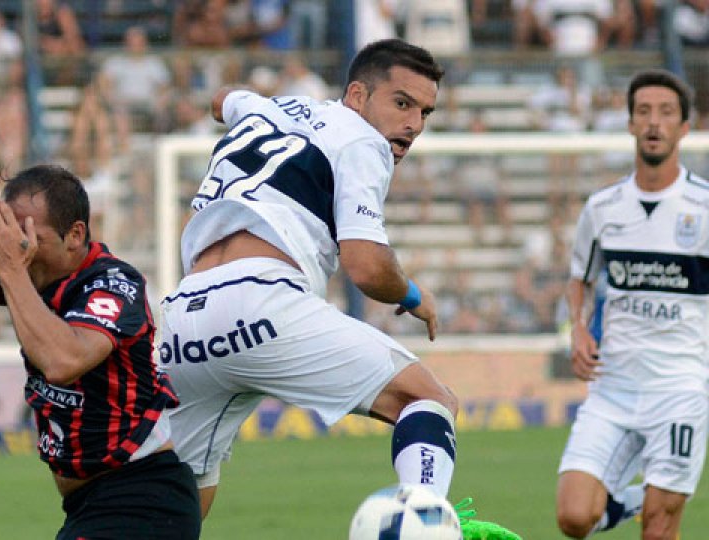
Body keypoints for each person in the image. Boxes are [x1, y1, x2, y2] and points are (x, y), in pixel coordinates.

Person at [159, 38, 519, 540]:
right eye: (401, 102)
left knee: (177, 494)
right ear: (356, 96)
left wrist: (241, 107)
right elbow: (367, 267)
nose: (414, 123)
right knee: (428, 400)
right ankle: (424, 522)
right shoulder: (363, 142)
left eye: (425, 111)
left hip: (179, 321)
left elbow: (222, 98)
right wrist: (413, 295)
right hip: (261, 301)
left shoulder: (273, 109)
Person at [0, 164, 201, 539]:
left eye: (30, 237)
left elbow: (64, 362)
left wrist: (11, 269)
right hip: (91, 503)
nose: (16, 246)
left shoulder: (113, 284)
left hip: (143, 496)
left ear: (75, 234)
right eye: (9, 234)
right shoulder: (17, 267)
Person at [556, 69, 708, 539]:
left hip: (680, 387)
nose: (654, 123)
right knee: (574, 517)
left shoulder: (704, 208)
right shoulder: (603, 207)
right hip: (613, 387)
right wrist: (578, 330)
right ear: (629, 124)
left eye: (666, 113)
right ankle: (630, 502)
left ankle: (656, 500)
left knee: (660, 527)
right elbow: (579, 278)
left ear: (685, 127)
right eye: (643, 112)